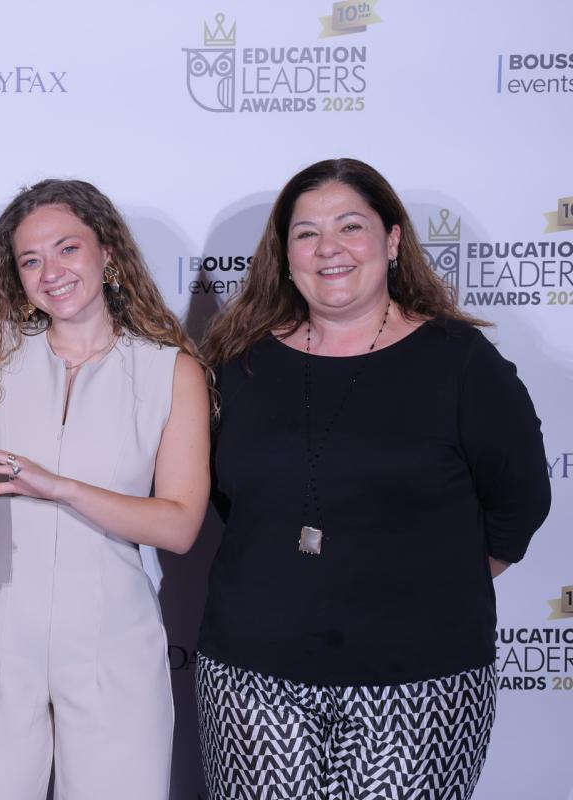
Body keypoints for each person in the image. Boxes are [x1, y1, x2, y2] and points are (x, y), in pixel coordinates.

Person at [196, 157, 550, 798]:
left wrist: (427, 582)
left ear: (391, 241)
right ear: (285, 255)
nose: (328, 248)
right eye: (306, 233)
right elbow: (231, 501)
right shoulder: (238, 363)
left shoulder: (461, 362)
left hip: (421, 683)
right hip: (251, 678)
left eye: (350, 226)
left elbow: (519, 502)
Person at [0, 179, 211, 799]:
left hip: (114, 644)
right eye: (30, 260)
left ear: (106, 251)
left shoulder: (171, 370)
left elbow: (179, 525)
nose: (51, 272)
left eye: (67, 249)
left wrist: (56, 486)